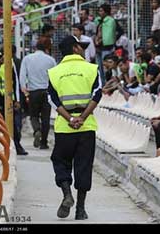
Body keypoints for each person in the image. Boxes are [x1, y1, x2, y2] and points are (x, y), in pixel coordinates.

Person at [48, 35, 102, 220]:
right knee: (83, 165)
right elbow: (97, 94)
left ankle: (66, 194)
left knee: (60, 161)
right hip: (86, 126)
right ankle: (80, 209)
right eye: (81, 46)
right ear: (75, 48)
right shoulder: (91, 69)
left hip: (64, 126)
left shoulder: (54, 72)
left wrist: (70, 118)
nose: (83, 49)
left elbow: (53, 100)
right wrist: (82, 117)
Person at [20, 37, 57, 149]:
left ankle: (37, 130)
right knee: (46, 118)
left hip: (33, 91)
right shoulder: (51, 60)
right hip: (46, 91)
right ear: (46, 48)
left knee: (34, 115)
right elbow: (54, 76)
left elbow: (22, 76)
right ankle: (44, 142)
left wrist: (24, 88)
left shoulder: (27, 59)